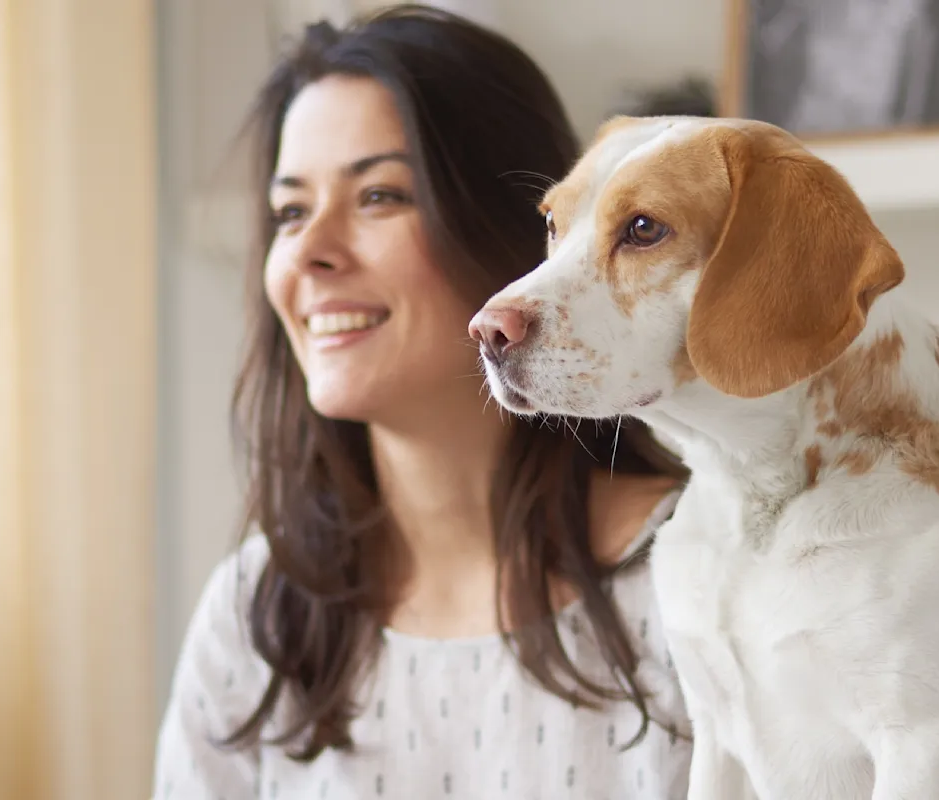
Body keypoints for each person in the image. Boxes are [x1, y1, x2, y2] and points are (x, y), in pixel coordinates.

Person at [152, 6, 693, 799]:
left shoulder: (703, 578)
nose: (309, 250)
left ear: (518, 234)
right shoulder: (256, 616)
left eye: (379, 196)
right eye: (290, 211)